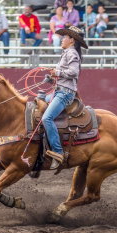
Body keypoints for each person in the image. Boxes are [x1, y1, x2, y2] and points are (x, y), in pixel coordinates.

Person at [42, 26, 88, 169]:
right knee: (39, 99)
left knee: (46, 118)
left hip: (65, 94)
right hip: (59, 91)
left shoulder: (72, 53)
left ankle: (58, 152)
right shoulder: (67, 53)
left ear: (72, 40)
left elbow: (73, 72)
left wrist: (57, 73)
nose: (62, 39)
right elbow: (64, 74)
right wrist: (51, 78)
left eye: (65, 37)